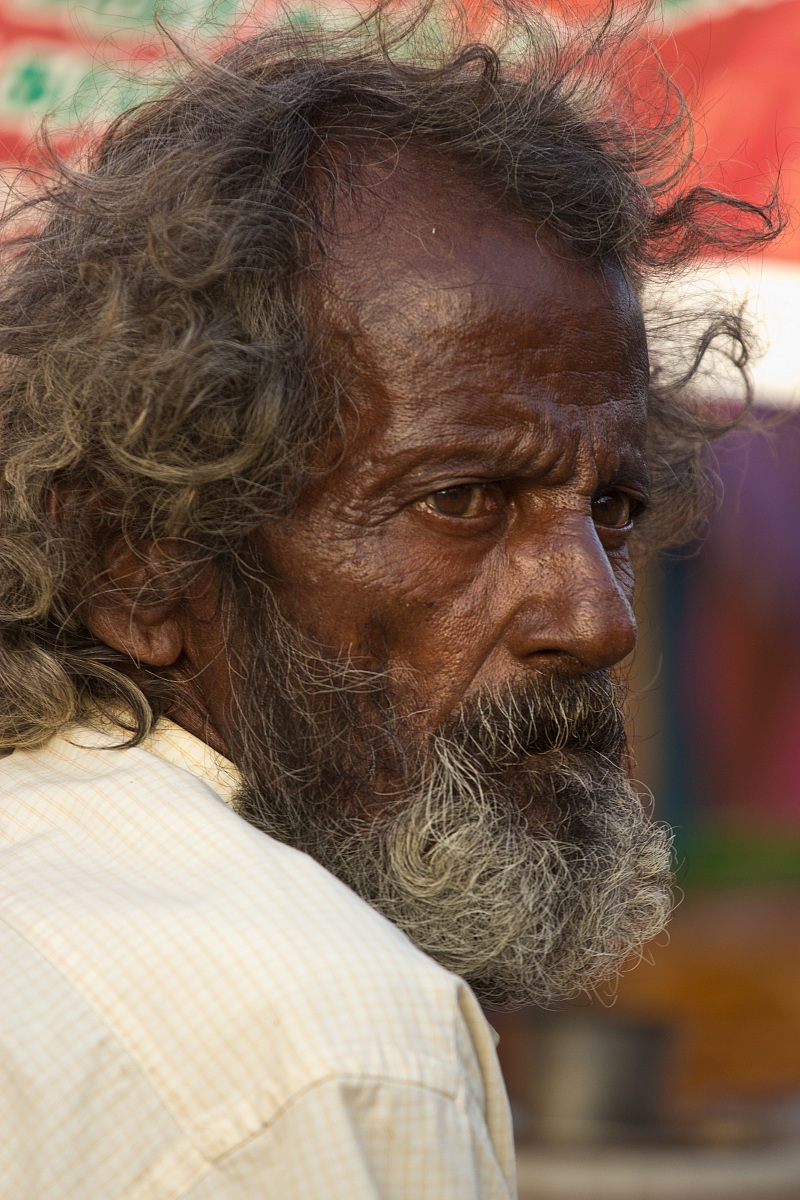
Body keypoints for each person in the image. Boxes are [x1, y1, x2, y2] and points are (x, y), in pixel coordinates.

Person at [0, 3, 777, 1196]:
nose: (599, 617)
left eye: (613, 508)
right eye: (462, 500)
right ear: (137, 563)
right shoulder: (324, 1043)